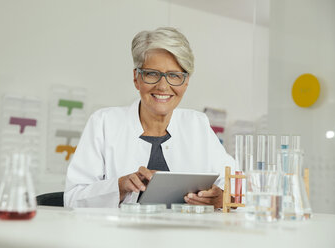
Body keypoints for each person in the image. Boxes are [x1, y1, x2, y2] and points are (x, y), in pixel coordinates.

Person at [64, 27, 235, 208]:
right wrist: (119, 187)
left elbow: (237, 184)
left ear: (186, 82)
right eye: (152, 74)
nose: (162, 86)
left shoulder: (197, 124)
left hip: (185, 235)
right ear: (136, 78)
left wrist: (221, 198)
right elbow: (72, 199)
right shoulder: (104, 123)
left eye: (174, 76)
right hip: (116, 236)